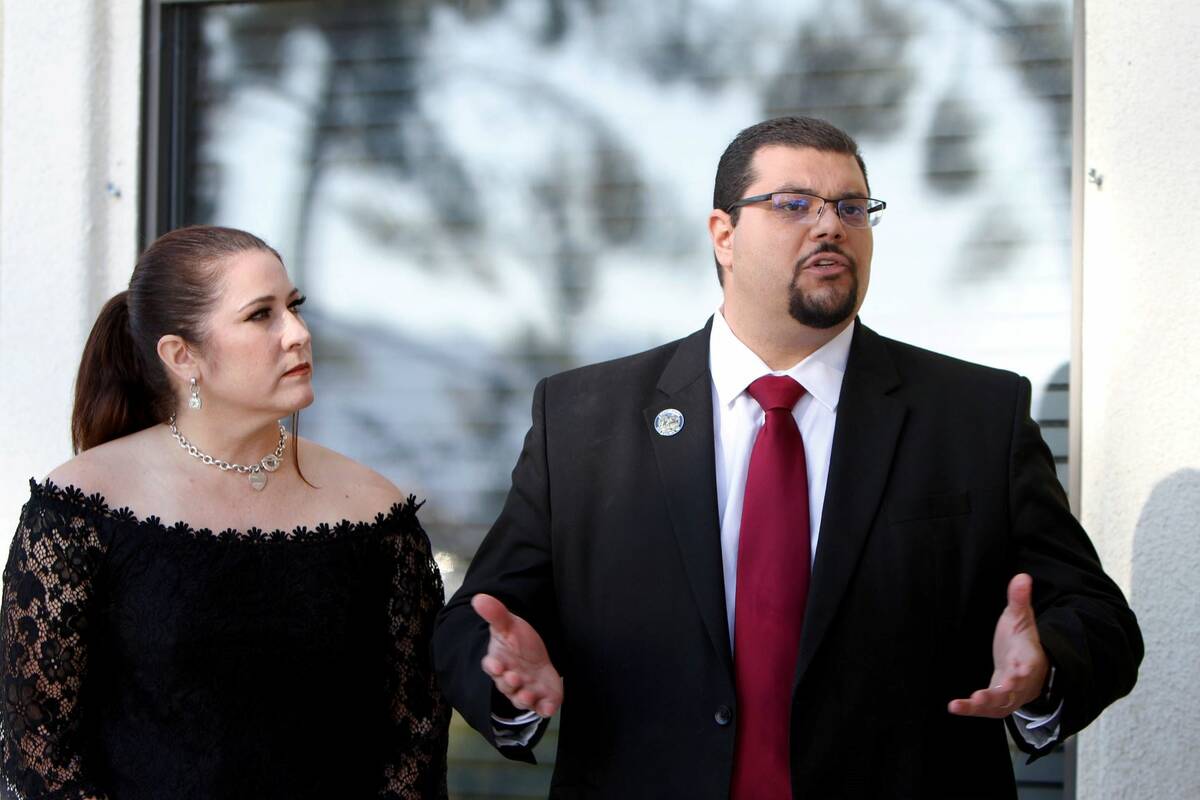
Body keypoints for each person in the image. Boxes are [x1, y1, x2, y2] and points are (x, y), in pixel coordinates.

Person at [432, 117, 1143, 798]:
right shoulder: (584, 417)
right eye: (792, 204)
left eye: (853, 207)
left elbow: (1096, 616)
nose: (830, 224)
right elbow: (479, 618)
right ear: (724, 235)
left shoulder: (974, 416)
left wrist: (1047, 664)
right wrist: (503, 675)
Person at [0, 226, 449, 799]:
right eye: (261, 315)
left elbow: (414, 737)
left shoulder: (374, 513)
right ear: (182, 355)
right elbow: (39, 750)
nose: (298, 334)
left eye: (294, 307)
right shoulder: (80, 513)